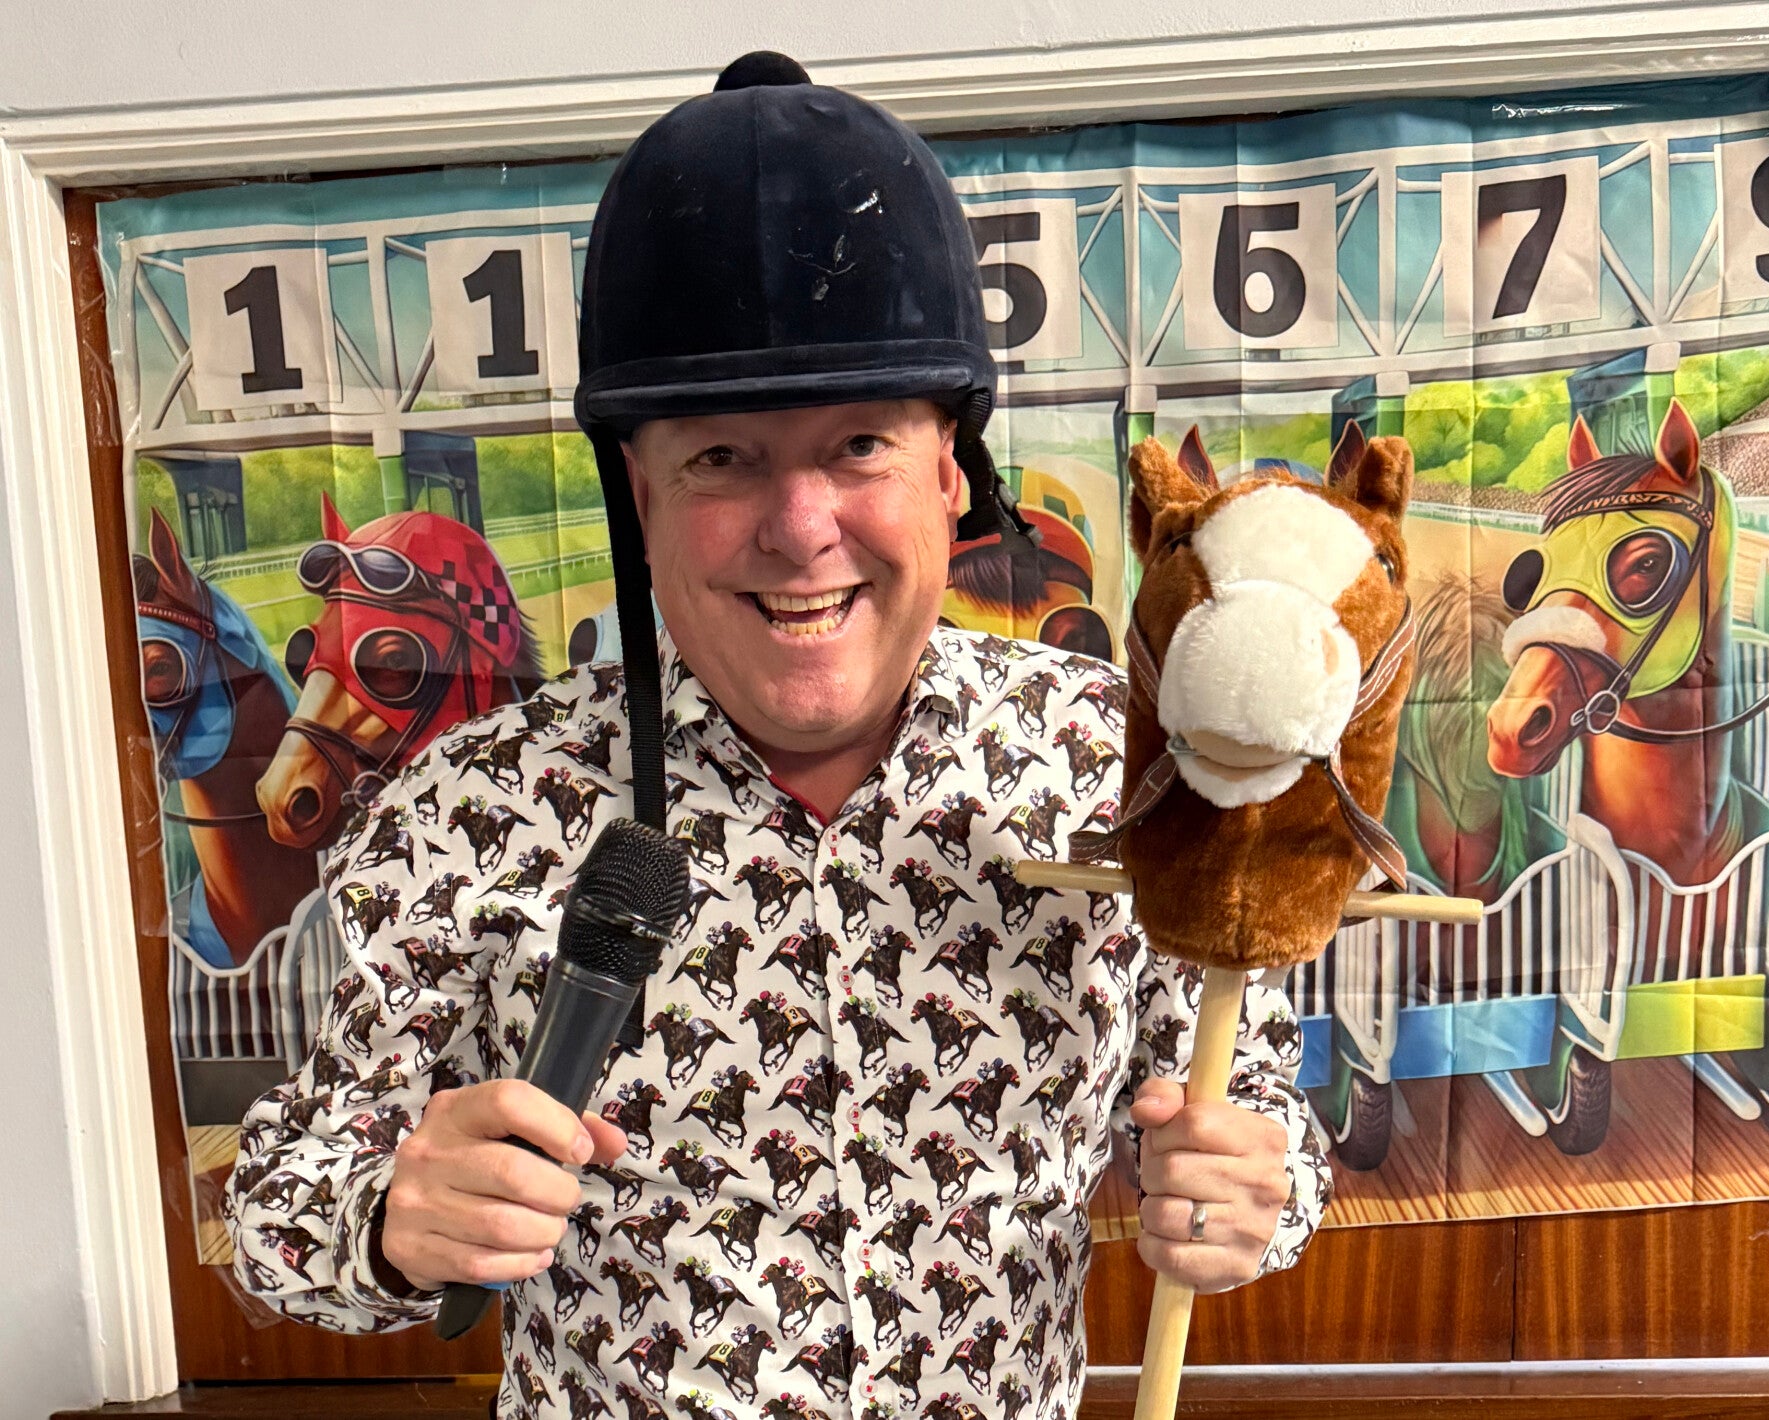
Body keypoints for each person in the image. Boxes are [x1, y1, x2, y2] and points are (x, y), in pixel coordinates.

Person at [227, 51, 1331, 1420]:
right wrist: (391, 1220)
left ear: (951, 472)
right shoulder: (467, 810)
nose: (801, 530)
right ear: (640, 498)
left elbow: (1255, 1116)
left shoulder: (1119, 763)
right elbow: (276, 1218)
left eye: (859, 445)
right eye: (721, 458)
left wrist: (1256, 1190)